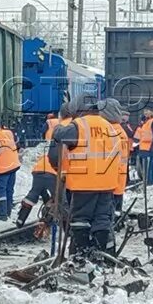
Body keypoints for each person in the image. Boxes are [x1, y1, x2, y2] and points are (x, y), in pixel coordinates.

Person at [50, 95, 127, 257]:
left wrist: (57, 126)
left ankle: (82, 253)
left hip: (83, 183)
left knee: (80, 219)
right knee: (102, 219)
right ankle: (100, 253)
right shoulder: (110, 127)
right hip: (107, 184)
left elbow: (60, 135)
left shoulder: (79, 125)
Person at [17, 111, 62, 226]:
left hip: (37, 171)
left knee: (34, 193)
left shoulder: (47, 149)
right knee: (58, 199)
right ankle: (56, 221)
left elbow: (42, 132)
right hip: (52, 173)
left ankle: (20, 219)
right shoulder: (61, 144)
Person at [134, 111, 153, 186]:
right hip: (144, 148)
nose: (146, 113)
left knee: (150, 167)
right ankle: (147, 181)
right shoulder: (147, 122)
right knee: (145, 167)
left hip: (150, 148)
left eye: (147, 112)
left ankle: (151, 182)